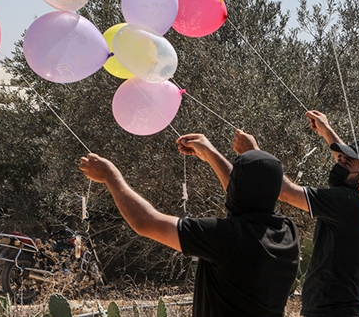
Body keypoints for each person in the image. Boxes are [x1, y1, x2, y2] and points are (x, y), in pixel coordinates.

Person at [80, 134, 299, 317]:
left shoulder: (226, 237)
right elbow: (248, 194)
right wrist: (211, 154)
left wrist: (110, 176)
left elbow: (145, 222)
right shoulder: (287, 232)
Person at [232, 111, 359, 317]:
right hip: (346, 309)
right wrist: (327, 131)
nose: (339, 164)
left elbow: (286, 192)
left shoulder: (347, 201)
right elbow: (348, 160)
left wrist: (253, 153)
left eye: (346, 163)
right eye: (340, 158)